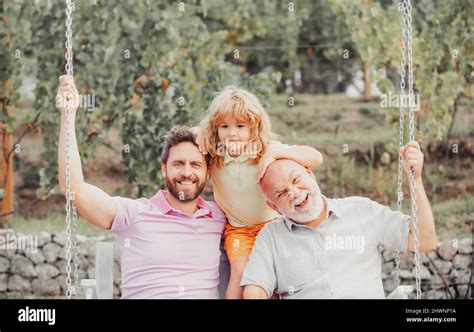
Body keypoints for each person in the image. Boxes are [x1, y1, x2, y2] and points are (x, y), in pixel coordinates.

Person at [57, 75, 226, 298]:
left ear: (208, 171)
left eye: (195, 164)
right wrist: (68, 115)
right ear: (164, 169)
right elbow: (74, 189)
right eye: (178, 164)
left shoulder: (220, 216)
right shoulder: (135, 214)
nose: (187, 172)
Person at [241, 142, 436, 299]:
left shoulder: (361, 210)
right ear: (274, 207)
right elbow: (254, 290)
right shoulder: (270, 237)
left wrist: (415, 180)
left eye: (296, 180)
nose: (293, 193)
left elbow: (424, 241)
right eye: (281, 193)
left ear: (310, 175)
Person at [191, 86, 323, 298]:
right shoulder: (215, 155)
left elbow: (316, 157)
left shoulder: (264, 151)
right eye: (224, 126)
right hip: (239, 230)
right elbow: (186, 141)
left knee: (270, 275)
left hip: (272, 226)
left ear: (254, 128)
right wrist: (197, 132)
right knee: (241, 271)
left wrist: (277, 154)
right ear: (215, 128)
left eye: (240, 126)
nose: (232, 133)